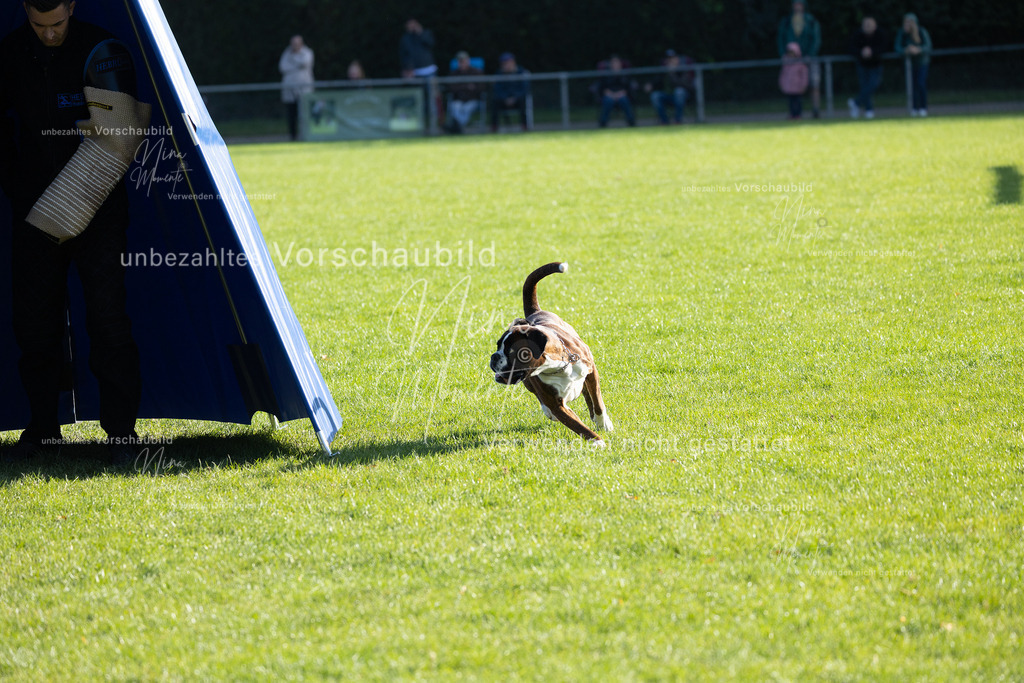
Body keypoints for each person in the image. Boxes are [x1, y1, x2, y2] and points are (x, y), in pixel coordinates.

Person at [0, 0, 149, 466]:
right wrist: (21, 189)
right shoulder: (8, 53)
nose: (48, 33)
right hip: (32, 209)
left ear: (72, 7)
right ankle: (44, 430)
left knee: (108, 320)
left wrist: (58, 208)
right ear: (26, 10)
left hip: (99, 209)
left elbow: (120, 137)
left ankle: (122, 435)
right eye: (39, 24)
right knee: (35, 326)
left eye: (58, 23)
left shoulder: (101, 49)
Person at [777, 0, 822, 118]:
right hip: (791, 61)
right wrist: (784, 54)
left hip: (809, 58)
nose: (797, 7)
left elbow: (816, 39)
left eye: (800, 4)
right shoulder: (787, 21)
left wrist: (810, 55)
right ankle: (795, 113)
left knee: (814, 84)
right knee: (791, 86)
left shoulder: (811, 21)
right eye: (795, 4)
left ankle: (816, 110)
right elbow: (781, 38)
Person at [848, 15, 887, 119]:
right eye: (866, 25)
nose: (868, 26)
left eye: (870, 24)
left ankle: (856, 103)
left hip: (876, 65)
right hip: (862, 65)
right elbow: (851, 48)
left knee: (873, 84)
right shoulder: (857, 35)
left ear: (875, 25)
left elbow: (884, 47)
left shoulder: (880, 34)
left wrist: (872, 52)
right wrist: (861, 52)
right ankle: (869, 110)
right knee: (864, 87)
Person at [644, 49, 695, 125]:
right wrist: (650, 85)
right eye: (668, 59)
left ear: (677, 59)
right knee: (655, 96)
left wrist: (672, 74)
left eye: (672, 59)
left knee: (679, 92)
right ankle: (664, 121)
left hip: (683, 96)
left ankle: (677, 121)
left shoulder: (684, 68)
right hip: (667, 96)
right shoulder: (663, 70)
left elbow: (686, 85)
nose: (670, 61)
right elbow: (656, 81)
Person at [895, 13, 932, 117]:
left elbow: (928, 46)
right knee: (912, 86)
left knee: (920, 84)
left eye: (909, 22)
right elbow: (897, 47)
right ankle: (914, 108)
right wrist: (905, 50)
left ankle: (923, 108)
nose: (907, 25)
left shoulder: (921, 31)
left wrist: (918, 50)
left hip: (922, 63)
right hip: (909, 65)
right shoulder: (902, 33)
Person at [279, 35, 314, 140]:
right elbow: (282, 67)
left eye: (297, 43)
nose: (295, 45)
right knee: (291, 115)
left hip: (304, 91)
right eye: (293, 43)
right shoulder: (286, 53)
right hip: (290, 92)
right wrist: (297, 65)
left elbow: (304, 63)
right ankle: (293, 137)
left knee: (305, 116)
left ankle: (306, 136)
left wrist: (292, 62)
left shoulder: (307, 53)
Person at [446, 51, 484, 134]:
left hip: (472, 100)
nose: (462, 63)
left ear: (468, 61)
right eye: (460, 61)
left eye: (464, 61)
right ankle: (458, 127)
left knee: (466, 108)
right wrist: (467, 86)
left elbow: (480, 87)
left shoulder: (476, 72)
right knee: (455, 106)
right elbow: (451, 88)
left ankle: (456, 127)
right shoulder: (454, 74)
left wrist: (461, 86)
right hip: (459, 100)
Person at [491, 52, 530, 132]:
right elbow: (497, 89)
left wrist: (514, 98)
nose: (506, 65)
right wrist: (505, 98)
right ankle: (494, 127)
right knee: (495, 101)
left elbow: (524, 89)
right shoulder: (499, 74)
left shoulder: (521, 72)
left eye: (508, 62)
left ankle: (525, 126)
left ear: (513, 62)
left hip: (517, 99)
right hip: (503, 100)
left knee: (523, 100)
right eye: (504, 63)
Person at [597, 55, 637, 128]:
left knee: (624, 100)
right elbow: (602, 88)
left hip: (622, 95)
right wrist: (611, 94)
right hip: (609, 96)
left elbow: (628, 88)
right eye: (613, 63)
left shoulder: (625, 74)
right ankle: (603, 123)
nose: (615, 65)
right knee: (608, 101)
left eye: (617, 63)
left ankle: (631, 122)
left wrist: (621, 93)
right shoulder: (606, 75)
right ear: (610, 65)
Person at [779, 42, 809, 119]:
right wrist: (782, 84)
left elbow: (804, 76)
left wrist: (803, 85)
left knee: (798, 102)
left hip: (798, 87)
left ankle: (798, 115)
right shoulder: (786, 63)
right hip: (789, 87)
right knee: (790, 102)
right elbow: (783, 75)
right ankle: (792, 115)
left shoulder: (801, 64)